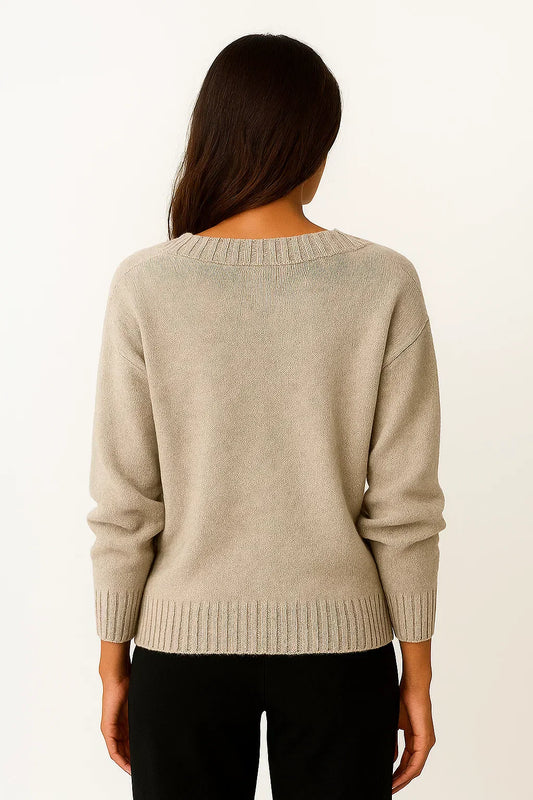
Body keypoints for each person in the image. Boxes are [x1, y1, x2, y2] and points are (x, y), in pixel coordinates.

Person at [87, 32, 446, 800]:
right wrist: (415, 676)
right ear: (312, 147)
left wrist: (112, 662)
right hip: (342, 655)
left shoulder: (146, 284)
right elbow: (405, 507)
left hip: (179, 653)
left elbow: (124, 503)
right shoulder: (383, 281)